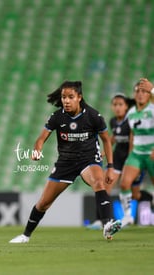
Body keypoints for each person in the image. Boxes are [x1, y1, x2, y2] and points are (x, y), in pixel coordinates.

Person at [9, 81, 122, 244]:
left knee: (99, 182)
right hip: (66, 163)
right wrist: (37, 149)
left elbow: (106, 140)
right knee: (43, 203)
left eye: (70, 97)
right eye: (63, 97)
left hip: (88, 159)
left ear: (79, 97)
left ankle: (107, 224)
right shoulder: (57, 117)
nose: (66, 101)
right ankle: (25, 235)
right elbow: (41, 138)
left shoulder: (93, 116)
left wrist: (110, 166)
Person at [87, 93, 142, 230]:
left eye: (120, 105)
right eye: (115, 105)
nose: (117, 108)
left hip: (131, 158)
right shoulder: (112, 121)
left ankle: (135, 216)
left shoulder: (131, 120)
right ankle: (102, 220)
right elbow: (112, 139)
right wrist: (103, 154)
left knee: (136, 194)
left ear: (126, 107)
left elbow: (132, 141)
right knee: (104, 188)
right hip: (117, 158)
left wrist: (131, 160)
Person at [119, 78, 154, 227]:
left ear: (149, 95)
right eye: (137, 91)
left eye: (144, 91)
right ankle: (128, 217)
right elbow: (132, 133)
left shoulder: (152, 109)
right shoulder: (131, 112)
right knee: (124, 183)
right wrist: (130, 152)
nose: (140, 94)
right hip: (137, 153)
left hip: (152, 151)